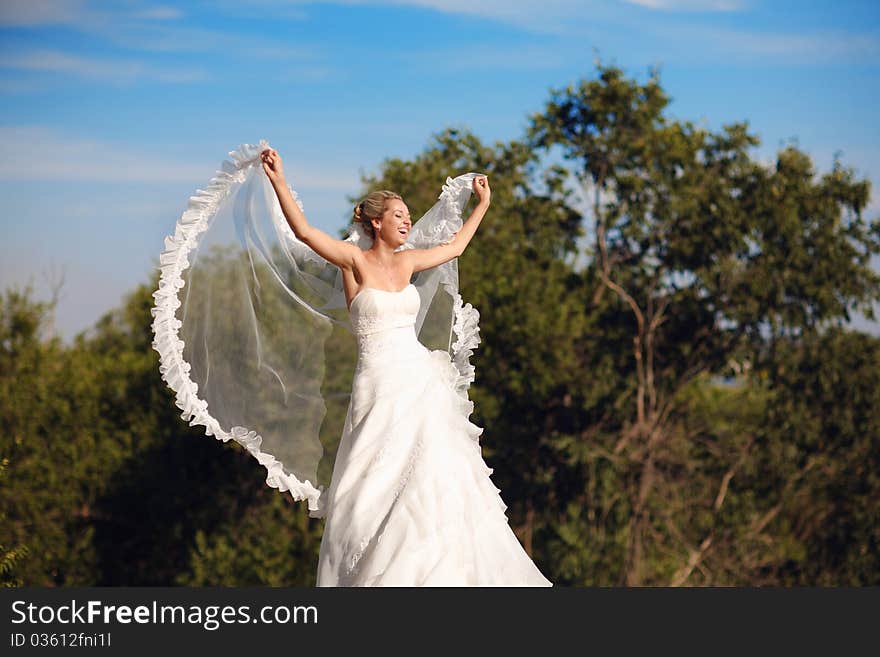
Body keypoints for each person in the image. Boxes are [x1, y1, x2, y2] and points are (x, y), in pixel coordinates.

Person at [260, 147, 552, 586]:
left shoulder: (410, 260)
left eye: (408, 214)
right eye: (398, 214)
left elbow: (455, 246)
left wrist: (483, 204)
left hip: (418, 381)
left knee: (430, 479)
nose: (406, 220)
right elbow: (302, 232)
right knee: (366, 490)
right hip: (376, 386)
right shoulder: (352, 260)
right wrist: (279, 179)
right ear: (375, 222)